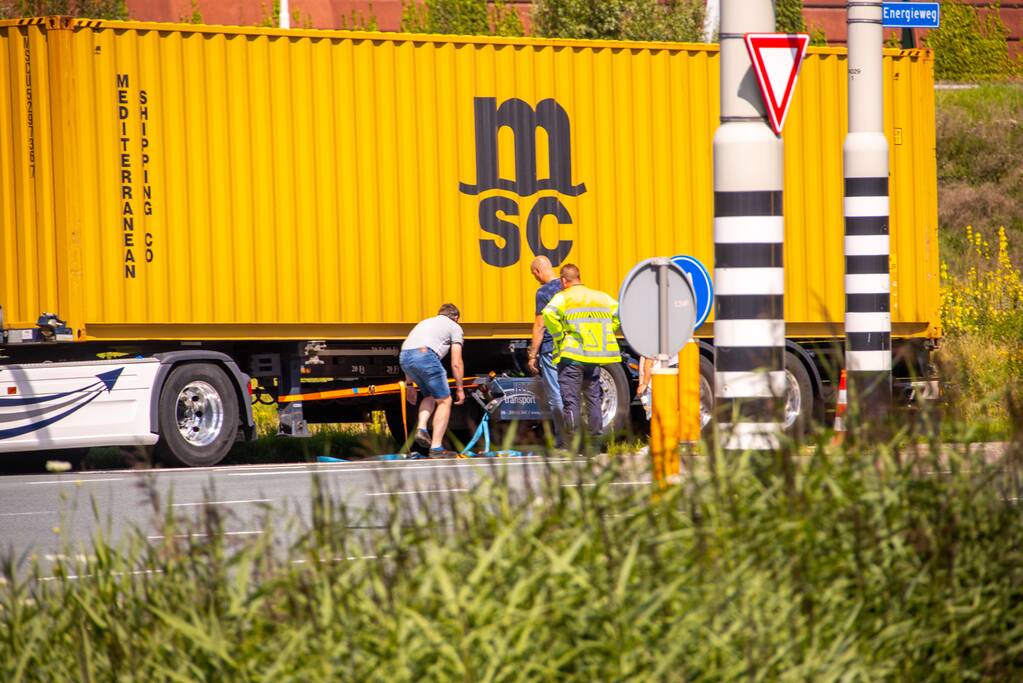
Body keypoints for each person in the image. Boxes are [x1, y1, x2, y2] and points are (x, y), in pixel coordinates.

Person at [542, 264, 621, 442]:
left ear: (564, 281)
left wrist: (559, 334)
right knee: (594, 398)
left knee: (571, 400)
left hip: (572, 357)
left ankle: (573, 440)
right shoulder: (601, 297)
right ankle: (594, 442)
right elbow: (618, 313)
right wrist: (609, 329)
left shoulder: (563, 297)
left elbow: (548, 313)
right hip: (593, 358)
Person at [399, 303, 465, 457]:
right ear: (456, 317)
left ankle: (421, 428)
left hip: (404, 357)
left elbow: (410, 352)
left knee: (429, 395)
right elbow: (456, 362)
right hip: (426, 356)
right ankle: (436, 448)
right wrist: (460, 389)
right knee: (445, 400)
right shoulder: (454, 327)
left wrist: (409, 386)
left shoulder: (425, 322)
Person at [526, 255, 566, 444]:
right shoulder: (567, 287)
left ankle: (562, 438)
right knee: (572, 392)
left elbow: (539, 325)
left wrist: (532, 355)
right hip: (572, 347)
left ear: (538, 271)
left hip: (551, 348)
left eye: (535, 276)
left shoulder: (543, 292)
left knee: (555, 394)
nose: (536, 279)